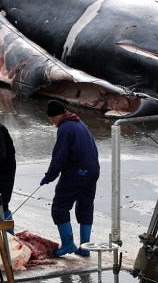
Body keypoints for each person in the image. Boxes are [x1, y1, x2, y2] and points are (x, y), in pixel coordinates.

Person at [40, 100, 99, 258]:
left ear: (58, 115)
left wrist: (49, 176)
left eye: (52, 119)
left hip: (78, 172)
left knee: (59, 207)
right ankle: (85, 247)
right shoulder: (79, 123)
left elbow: (59, 157)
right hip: (92, 171)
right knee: (85, 206)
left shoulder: (65, 128)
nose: (52, 122)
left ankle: (68, 244)